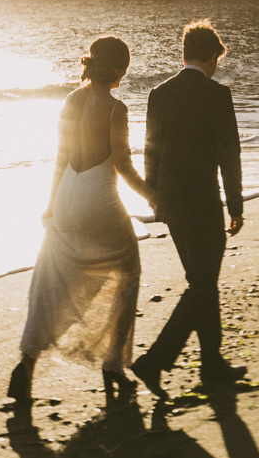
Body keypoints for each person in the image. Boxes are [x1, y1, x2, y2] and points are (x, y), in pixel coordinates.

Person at [9, 35, 151, 406]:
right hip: (97, 196)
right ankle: (113, 364)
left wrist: (51, 205)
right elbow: (124, 168)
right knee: (129, 267)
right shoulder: (116, 109)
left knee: (51, 276)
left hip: (67, 194)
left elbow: (59, 159)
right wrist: (155, 196)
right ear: (119, 69)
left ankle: (26, 364)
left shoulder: (71, 101)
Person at [129, 19, 244, 399]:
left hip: (171, 203)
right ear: (211, 56)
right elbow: (230, 154)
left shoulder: (159, 93)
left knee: (202, 283)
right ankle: (155, 361)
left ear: (183, 54)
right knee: (203, 285)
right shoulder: (218, 94)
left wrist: (153, 197)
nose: (215, 69)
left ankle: (212, 365)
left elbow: (150, 149)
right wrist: (236, 204)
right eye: (216, 61)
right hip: (203, 201)